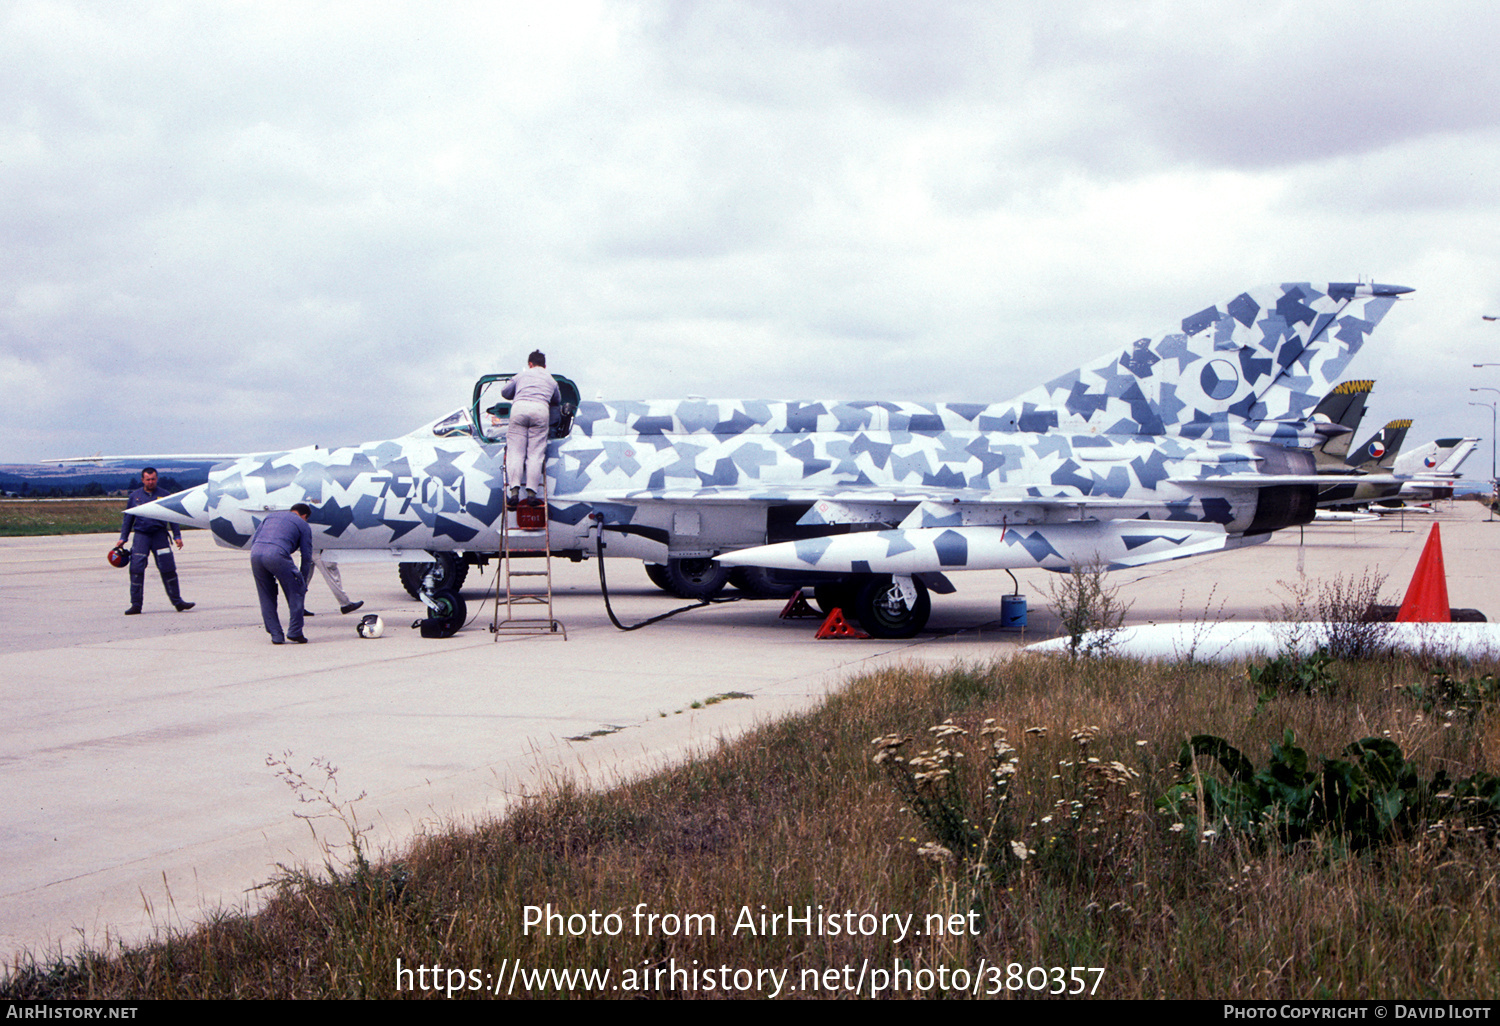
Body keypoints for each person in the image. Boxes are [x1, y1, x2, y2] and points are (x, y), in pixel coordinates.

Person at [114, 466, 193, 615]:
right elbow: (128, 519)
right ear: (142, 480)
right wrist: (123, 538)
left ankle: (178, 602)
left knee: (168, 568)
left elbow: (173, 516)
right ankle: (136, 605)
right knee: (136, 569)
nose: (151, 482)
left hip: (159, 536)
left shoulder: (165, 495)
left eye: (153, 479)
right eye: (148, 479)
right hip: (141, 536)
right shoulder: (135, 497)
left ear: (157, 479)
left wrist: (177, 536)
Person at [500, 350, 561, 507]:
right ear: (545, 365)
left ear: (530, 364)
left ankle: (514, 492)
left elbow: (505, 392)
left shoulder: (522, 375)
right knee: (535, 454)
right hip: (541, 411)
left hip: (519, 410)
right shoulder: (551, 380)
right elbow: (557, 400)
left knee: (516, 452)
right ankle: (532, 494)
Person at [250, 503, 314, 645]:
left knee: (266, 595)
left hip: (255, 553)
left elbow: (255, 539)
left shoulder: (270, 516)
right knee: (296, 591)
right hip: (276, 554)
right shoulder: (303, 525)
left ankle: (276, 635)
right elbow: (306, 555)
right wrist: (302, 580)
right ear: (305, 516)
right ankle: (295, 632)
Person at [312, 551, 363, 615]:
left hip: (307, 548)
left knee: (303, 579)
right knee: (332, 577)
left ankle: (297, 606)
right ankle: (345, 603)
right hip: (319, 550)